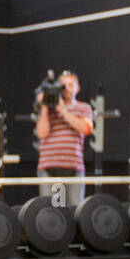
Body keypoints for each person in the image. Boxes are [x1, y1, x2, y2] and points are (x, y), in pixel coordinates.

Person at [34, 69, 94, 206]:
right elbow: (42, 133)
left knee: (75, 211)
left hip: (74, 168)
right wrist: (44, 107)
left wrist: (63, 111)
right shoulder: (47, 109)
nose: (66, 89)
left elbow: (86, 128)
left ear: (77, 88)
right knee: (50, 212)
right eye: (63, 85)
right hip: (49, 168)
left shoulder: (83, 108)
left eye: (70, 85)